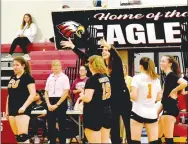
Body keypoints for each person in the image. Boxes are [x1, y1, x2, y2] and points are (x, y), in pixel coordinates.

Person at [61, 38, 132, 144]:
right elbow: (88, 59)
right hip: (110, 100)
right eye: (102, 49)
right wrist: (73, 47)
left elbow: (117, 57)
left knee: (127, 126)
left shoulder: (116, 64)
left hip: (122, 97)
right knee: (114, 129)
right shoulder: (101, 66)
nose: (104, 51)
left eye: (106, 50)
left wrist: (110, 46)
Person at [78, 55, 112, 143]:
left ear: (91, 65)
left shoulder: (92, 79)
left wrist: (82, 95)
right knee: (105, 141)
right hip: (107, 112)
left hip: (94, 114)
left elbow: (88, 98)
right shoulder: (106, 78)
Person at [130, 57, 162, 144]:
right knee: (154, 141)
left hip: (137, 111)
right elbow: (158, 98)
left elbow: (134, 96)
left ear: (140, 66)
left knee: (135, 141)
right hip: (151, 113)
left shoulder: (136, 78)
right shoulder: (156, 80)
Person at [5, 56, 36, 143]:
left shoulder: (28, 78)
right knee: (17, 138)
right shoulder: (12, 77)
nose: (15, 67)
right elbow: (9, 95)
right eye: (13, 65)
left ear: (23, 66)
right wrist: (7, 110)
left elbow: (33, 94)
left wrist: (24, 107)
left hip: (22, 110)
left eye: (17, 65)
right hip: (12, 109)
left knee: (23, 136)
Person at [158, 55, 187, 144]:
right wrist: (157, 112)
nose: (161, 63)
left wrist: (174, 90)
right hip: (167, 109)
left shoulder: (172, 75)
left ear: (170, 64)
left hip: (170, 109)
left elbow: (185, 82)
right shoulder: (167, 78)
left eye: (163, 61)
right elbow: (165, 99)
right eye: (161, 61)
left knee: (168, 139)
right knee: (156, 137)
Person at [44, 60, 70, 144]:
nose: (56, 67)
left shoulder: (64, 77)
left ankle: (62, 142)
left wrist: (57, 104)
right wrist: (48, 104)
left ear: (60, 66)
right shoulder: (49, 77)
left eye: (57, 65)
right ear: (52, 67)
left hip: (61, 101)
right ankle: (52, 142)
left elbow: (66, 92)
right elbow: (46, 92)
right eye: (54, 65)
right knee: (51, 125)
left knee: (62, 124)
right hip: (50, 100)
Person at [120, 64, 132, 143]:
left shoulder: (130, 79)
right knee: (120, 122)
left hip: (128, 102)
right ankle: (122, 137)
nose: (123, 70)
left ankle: (125, 138)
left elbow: (132, 90)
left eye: (124, 68)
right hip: (119, 102)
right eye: (121, 68)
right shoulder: (117, 79)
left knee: (127, 122)